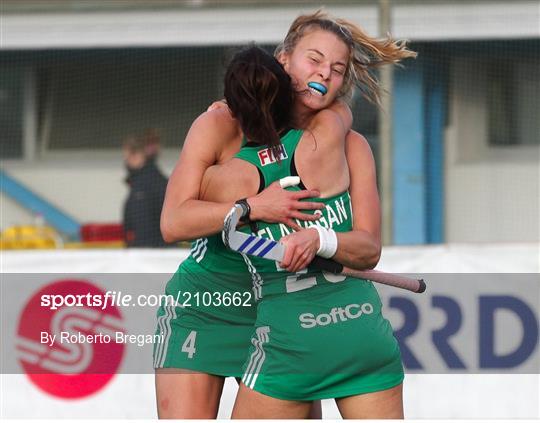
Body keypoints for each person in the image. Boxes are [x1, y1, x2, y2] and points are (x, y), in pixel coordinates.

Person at [155, 9, 415, 419]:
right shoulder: (223, 121)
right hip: (212, 301)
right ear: (284, 59)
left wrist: (337, 117)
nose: (324, 74)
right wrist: (253, 207)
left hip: (282, 312)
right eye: (313, 60)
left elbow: (368, 245)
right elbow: (173, 222)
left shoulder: (340, 135)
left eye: (337, 68)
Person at [122, 136, 168, 247]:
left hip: (149, 254)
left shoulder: (147, 184)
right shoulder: (148, 181)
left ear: (137, 155)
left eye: (127, 158)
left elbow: (144, 226)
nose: (126, 162)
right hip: (151, 253)